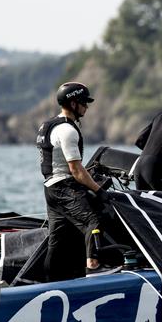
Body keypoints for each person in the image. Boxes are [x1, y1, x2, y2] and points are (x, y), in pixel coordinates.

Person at [36, 82, 108, 281]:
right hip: (65, 186)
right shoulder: (68, 131)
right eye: (84, 102)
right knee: (94, 219)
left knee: (57, 239)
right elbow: (76, 170)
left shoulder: (48, 125)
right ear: (74, 103)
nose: (87, 107)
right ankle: (93, 266)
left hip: (50, 188)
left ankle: (50, 279)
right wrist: (99, 190)